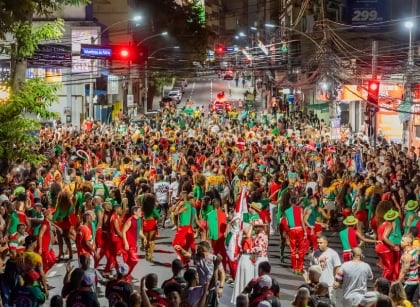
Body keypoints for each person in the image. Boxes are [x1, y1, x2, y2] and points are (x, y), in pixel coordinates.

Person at [311, 235, 341, 305]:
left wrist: (337, 281)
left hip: (329, 284)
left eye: (321, 243)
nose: (319, 244)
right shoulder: (315, 253)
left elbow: (337, 267)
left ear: (326, 243)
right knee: (317, 303)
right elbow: (312, 268)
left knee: (330, 303)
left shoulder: (333, 253)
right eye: (318, 243)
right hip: (317, 284)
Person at [122, 206, 143, 280]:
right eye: (140, 211)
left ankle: (126, 275)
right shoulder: (130, 220)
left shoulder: (139, 220)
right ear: (135, 212)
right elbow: (123, 231)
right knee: (134, 260)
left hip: (135, 243)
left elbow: (139, 230)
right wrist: (126, 243)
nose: (141, 212)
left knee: (129, 261)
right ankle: (126, 274)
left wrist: (144, 237)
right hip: (129, 244)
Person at [396, 234, 418, 302]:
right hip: (415, 281)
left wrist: (397, 283)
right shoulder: (415, 250)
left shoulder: (407, 256)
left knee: (404, 302)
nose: (400, 242)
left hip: (408, 283)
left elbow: (403, 272)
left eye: (403, 241)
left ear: (408, 243)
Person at [141, 193, 160, 262]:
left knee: (146, 240)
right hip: (152, 224)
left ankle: (146, 253)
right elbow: (158, 216)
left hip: (145, 224)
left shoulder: (142, 208)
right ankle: (151, 255)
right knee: (151, 241)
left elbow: (140, 216)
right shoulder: (153, 209)